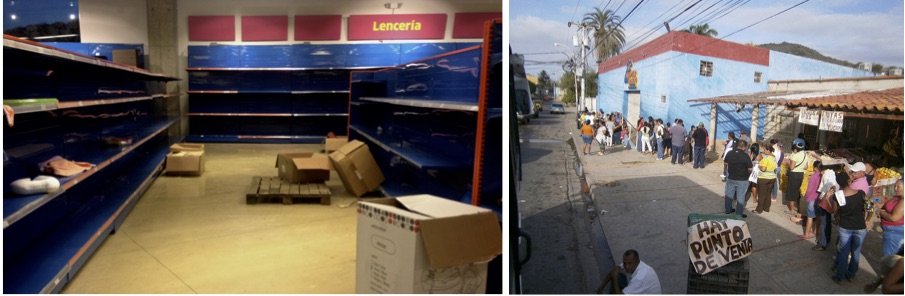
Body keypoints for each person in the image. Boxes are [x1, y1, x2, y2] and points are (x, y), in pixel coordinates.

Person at [828, 172, 868, 284]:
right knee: (856, 252)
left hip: (845, 227)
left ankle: (840, 276)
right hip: (860, 227)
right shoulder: (861, 193)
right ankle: (851, 274)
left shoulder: (838, 196)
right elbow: (869, 206)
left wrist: (828, 199)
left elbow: (834, 212)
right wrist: (868, 219)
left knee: (844, 251)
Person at [596, 249, 661, 294]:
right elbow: (613, 272)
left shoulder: (640, 278)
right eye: (625, 263)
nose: (626, 267)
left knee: (616, 278)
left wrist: (615, 278)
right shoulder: (633, 265)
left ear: (637, 261)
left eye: (630, 263)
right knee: (619, 276)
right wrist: (600, 289)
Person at [813, 164, 839, 251]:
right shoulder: (831, 173)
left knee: (824, 222)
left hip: (826, 200)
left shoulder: (826, 175)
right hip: (829, 200)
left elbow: (826, 189)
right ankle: (827, 239)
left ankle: (823, 243)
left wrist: (821, 199)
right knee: (827, 221)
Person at [875, 179, 904, 256]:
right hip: (889, 231)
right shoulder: (897, 197)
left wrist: (881, 212)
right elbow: (885, 205)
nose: (895, 188)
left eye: (898, 187)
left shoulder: (903, 201)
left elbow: (894, 218)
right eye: (895, 186)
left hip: (894, 232)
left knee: (889, 258)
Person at [796, 161, 823, 239]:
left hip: (812, 198)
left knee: (810, 217)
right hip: (819, 198)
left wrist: (806, 196)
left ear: (815, 168)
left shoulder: (814, 176)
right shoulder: (822, 176)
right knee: (818, 216)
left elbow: (809, 189)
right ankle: (816, 231)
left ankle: (807, 234)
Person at [725, 140, 752, 218]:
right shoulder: (745, 156)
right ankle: (739, 214)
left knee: (729, 194)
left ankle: (728, 209)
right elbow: (750, 167)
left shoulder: (730, 153)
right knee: (741, 196)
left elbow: (726, 162)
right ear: (744, 147)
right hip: (742, 179)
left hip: (731, 177)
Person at [783, 141, 808, 215]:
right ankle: (797, 207)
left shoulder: (795, 156)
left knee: (791, 191)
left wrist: (788, 162)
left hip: (794, 174)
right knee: (797, 191)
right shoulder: (805, 155)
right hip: (801, 174)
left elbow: (791, 167)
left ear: (795, 149)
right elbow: (806, 167)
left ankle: (791, 210)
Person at [753, 145, 777, 214]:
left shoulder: (766, 158)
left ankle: (759, 209)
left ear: (768, 150)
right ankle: (766, 208)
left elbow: (763, 169)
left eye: (764, 150)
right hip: (772, 177)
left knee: (761, 195)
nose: (763, 151)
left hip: (764, 178)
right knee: (768, 193)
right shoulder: (774, 157)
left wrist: (759, 165)